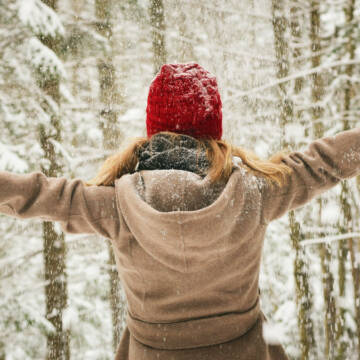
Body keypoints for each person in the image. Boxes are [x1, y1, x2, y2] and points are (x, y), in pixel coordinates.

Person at [0, 62, 359, 360]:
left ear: (153, 129)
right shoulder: (254, 193)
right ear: (213, 129)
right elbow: (322, 162)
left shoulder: (117, 205)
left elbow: (39, 194)